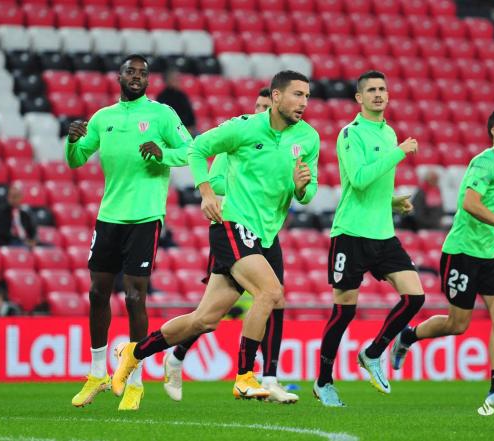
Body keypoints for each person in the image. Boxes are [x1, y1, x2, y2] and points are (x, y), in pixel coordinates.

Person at [111, 70, 319, 403]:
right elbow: (196, 150)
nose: (304, 103)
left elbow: (310, 194)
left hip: (266, 234)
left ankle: (134, 353)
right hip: (233, 224)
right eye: (297, 95)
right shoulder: (243, 128)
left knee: (204, 320)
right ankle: (245, 376)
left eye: (307, 96)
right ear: (277, 97)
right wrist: (206, 192)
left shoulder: (308, 138)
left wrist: (302, 187)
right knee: (271, 291)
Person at [66, 54, 193, 411]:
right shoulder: (103, 118)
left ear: (149, 80)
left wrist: (163, 152)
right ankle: (96, 374)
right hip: (109, 216)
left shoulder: (162, 114)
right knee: (96, 293)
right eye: (130, 71)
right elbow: (76, 159)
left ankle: (135, 380)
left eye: (143, 73)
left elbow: (190, 150)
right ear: (119, 76)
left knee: (135, 296)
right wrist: (73, 141)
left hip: (145, 217)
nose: (137, 77)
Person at [161, 87, 299, 403]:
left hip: (261, 232)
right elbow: (216, 179)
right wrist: (240, 191)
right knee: (214, 314)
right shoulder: (232, 147)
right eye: (261, 106)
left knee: (272, 298)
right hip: (230, 229)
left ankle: (268, 376)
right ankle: (178, 356)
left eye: (268, 107)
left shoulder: (279, 145)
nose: (264, 113)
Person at [391, 108, 494, 407]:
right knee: (458, 324)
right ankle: (408, 336)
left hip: (491, 253)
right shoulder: (485, 161)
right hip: (463, 252)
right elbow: (470, 203)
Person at [313, 71, 424, 407]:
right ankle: (323, 382)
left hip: (383, 233)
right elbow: (359, 180)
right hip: (350, 232)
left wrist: (393, 200)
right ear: (359, 98)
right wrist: (400, 153)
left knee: (415, 297)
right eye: (371, 90)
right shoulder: (351, 133)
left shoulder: (389, 133)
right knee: (344, 311)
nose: (378, 94)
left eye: (382, 89)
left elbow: (376, 186)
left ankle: (373, 352)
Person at [0, 184, 37, 249]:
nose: (14, 199)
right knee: (23, 247)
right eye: (12, 196)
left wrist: (33, 240)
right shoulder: (1, 213)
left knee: (48, 247)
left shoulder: (25, 214)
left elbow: (32, 231)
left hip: (25, 242)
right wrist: (23, 241)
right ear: (8, 197)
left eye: (16, 196)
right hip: (9, 243)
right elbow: (3, 235)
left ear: (21, 197)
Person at [156, 68, 197, 135]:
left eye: (178, 79)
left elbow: (191, 117)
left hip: (186, 129)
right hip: (170, 131)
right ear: (167, 81)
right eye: (174, 79)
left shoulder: (182, 95)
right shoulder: (162, 97)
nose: (178, 81)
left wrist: (188, 129)